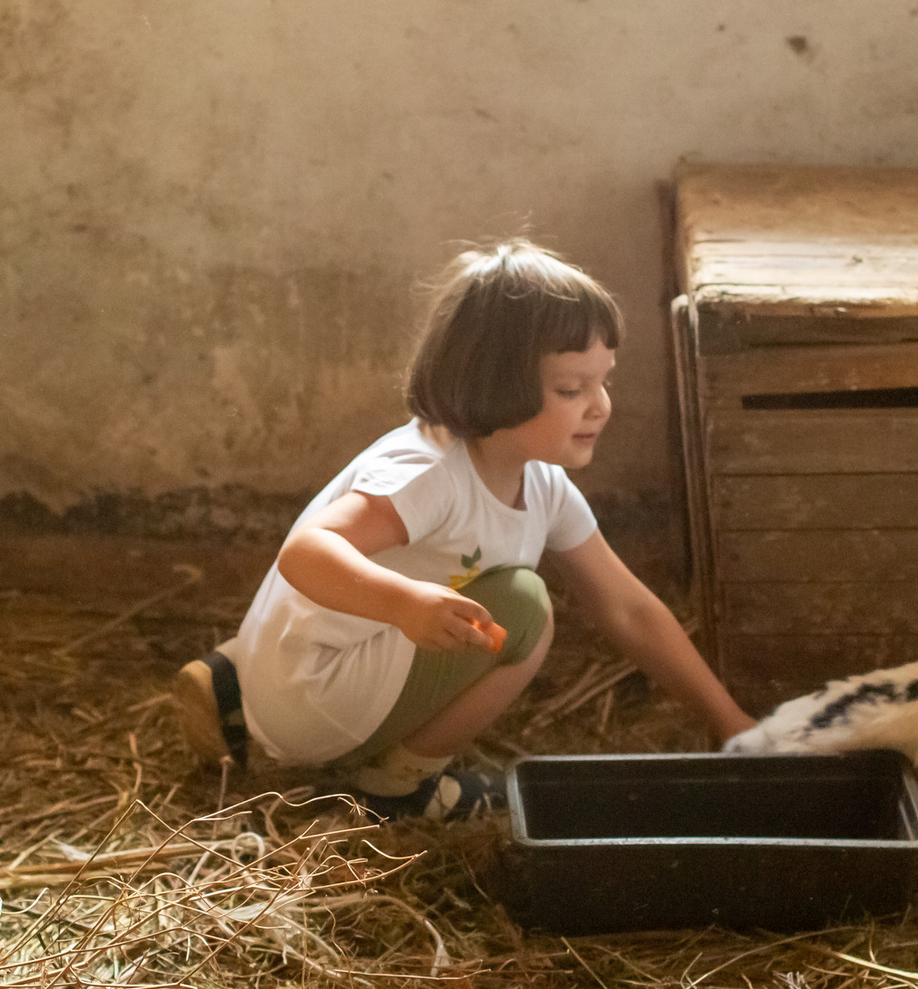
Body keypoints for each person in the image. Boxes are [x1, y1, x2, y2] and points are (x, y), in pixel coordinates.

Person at [173, 239, 756, 820]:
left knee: (477, 602)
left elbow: (627, 607)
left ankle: (236, 693)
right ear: (497, 388)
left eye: (603, 381)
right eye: (571, 390)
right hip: (316, 695)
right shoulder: (432, 473)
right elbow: (304, 553)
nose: (600, 406)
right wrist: (403, 604)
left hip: (303, 663)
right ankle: (400, 788)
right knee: (524, 609)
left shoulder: (541, 484)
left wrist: (730, 724)